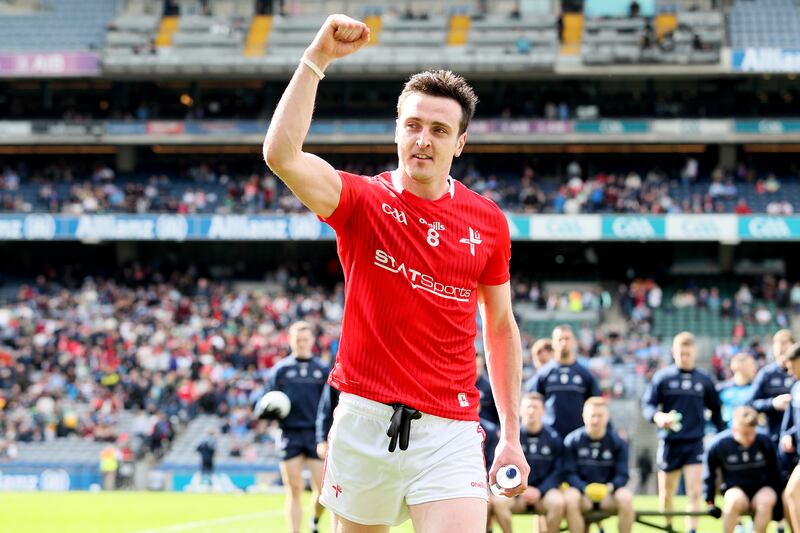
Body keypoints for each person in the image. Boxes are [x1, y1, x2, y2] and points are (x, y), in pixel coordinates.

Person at [262, 14, 528, 532]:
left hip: (450, 427)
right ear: (397, 130)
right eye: (413, 125)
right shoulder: (361, 200)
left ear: (459, 143)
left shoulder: (488, 221)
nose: (423, 139)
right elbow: (281, 155)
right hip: (364, 419)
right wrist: (316, 59)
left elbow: (499, 325)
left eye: (439, 130)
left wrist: (511, 435)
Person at [642, 331, 725, 533]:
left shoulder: (704, 379)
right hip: (669, 443)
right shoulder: (663, 377)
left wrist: (722, 436)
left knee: (694, 492)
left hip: (694, 443)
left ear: (694, 352)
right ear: (673, 352)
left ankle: (691, 531)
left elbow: (716, 410)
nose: (684, 357)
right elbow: (648, 405)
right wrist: (658, 417)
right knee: (666, 494)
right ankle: (668, 527)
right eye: (681, 353)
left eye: (688, 353)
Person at [266, 321, 330, 533]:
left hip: (316, 435)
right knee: (294, 488)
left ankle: (314, 520)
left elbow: (331, 404)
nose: (301, 343)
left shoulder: (322, 369)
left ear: (312, 341)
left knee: (323, 491)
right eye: (297, 339)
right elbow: (267, 400)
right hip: (289, 434)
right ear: (290, 341)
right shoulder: (281, 370)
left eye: (305, 339)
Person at [490, 393, 564, 533]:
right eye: (528, 407)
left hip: (544, 493)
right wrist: (519, 489)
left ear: (543, 411)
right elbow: (502, 468)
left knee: (558, 502)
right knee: (499, 502)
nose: (531, 411)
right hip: (515, 492)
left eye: (535, 407)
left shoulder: (554, 438)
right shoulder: (509, 438)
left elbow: (558, 471)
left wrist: (540, 490)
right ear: (520, 410)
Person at [704, 406, 780, 533]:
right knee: (733, 500)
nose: (750, 438)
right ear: (735, 429)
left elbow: (776, 473)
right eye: (745, 434)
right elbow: (709, 476)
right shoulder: (719, 444)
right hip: (736, 489)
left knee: (766, 500)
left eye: (752, 433)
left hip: (762, 489)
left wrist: (779, 504)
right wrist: (710, 502)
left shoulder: (765, 441)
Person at [563, 397, 634, 533]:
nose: (595, 420)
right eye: (592, 416)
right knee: (570, 498)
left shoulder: (618, 442)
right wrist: (584, 488)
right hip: (582, 494)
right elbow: (568, 473)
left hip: (608, 495)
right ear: (584, 417)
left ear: (607, 417)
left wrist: (610, 487)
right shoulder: (572, 441)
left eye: (600, 416)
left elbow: (623, 474)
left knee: (626, 497)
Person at [527, 325, 601, 439]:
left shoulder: (585, 375)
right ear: (553, 343)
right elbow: (531, 403)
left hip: (578, 438)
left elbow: (597, 405)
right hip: (550, 438)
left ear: (574, 342)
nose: (564, 342)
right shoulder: (543, 374)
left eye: (567, 338)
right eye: (560, 339)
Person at [780, 343, 800, 532]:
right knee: (792, 494)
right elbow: (794, 422)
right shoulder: (796, 388)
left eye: (792, 366)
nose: (790, 372)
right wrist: (789, 435)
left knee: (792, 492)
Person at [717, 352, 757, 427]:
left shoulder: (756, 388)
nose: (754, 368)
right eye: (751, 365)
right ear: (738, 366)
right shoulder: (721, 389)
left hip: (750, 431)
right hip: (727, 430)